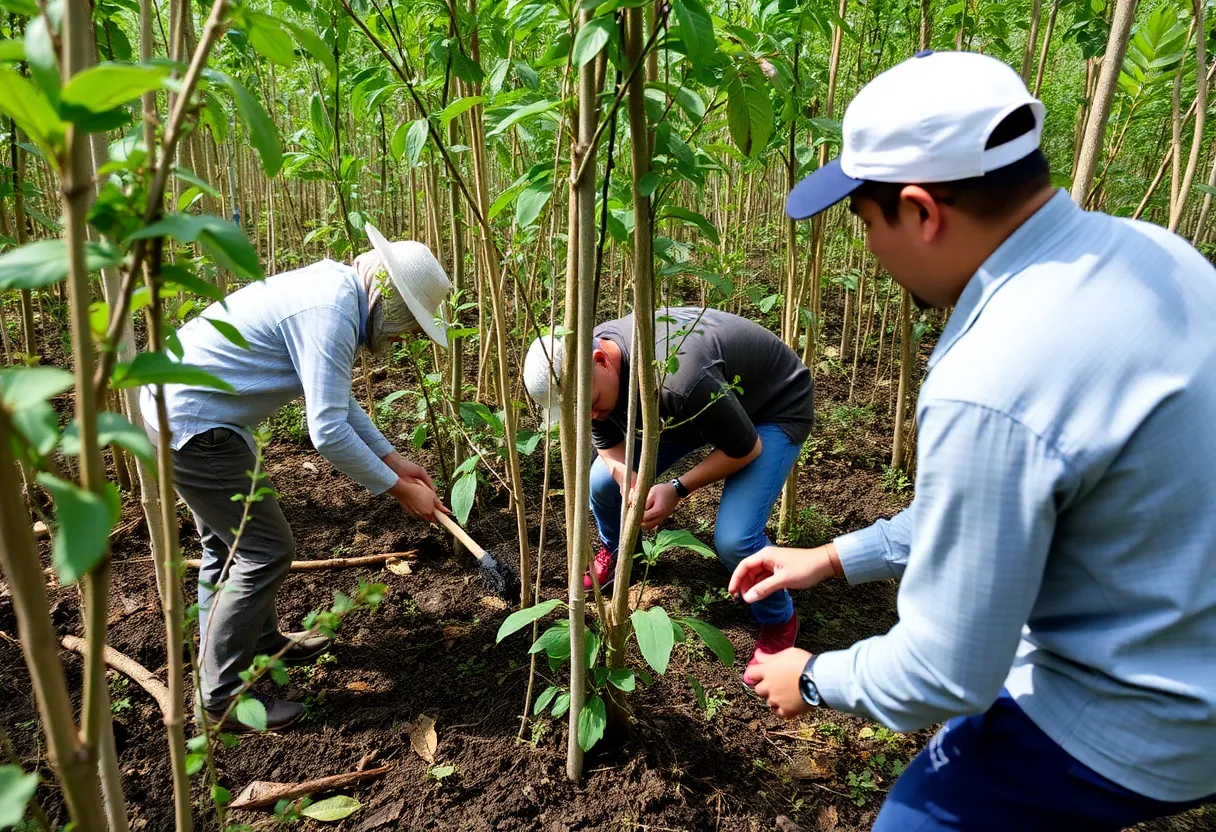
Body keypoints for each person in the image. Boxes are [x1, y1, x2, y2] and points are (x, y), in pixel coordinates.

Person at [731, 50, 1216, 830]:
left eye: (866, 223)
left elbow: (947, 670)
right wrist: (831, 557)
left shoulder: (992, 372)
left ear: (921, 211)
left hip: (1147, 718)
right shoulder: (1158, 255)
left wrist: (815, 677)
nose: (870, 250)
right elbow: (1006, 501)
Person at [141, 224, 452, 732]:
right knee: (264, 550)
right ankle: (220, 701)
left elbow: (334, 397)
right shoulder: (332, 311)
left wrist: (394, 460)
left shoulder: (333, 293)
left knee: (230, 548)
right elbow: (327, 430)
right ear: (390, 300)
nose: (406, 338)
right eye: (410, 324)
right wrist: (399, 491)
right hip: (195, 425)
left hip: (183, 410)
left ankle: (260, 645)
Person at [523, 307, 814, 686]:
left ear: (601, 361)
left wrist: (676, 489)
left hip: (770, 408)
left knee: (735, 538)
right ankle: (620, 551)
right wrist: (626, 479)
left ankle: (779, 620)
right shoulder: (593, 367)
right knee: (602, 482)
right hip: (692, 410)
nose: (592, 416)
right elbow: (607, 443)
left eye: (591, 404)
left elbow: (747, 449)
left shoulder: (679, 379)